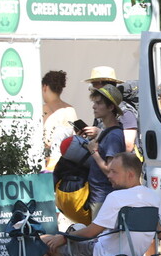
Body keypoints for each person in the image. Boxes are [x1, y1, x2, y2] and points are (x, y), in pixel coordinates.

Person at [33, 152, 161, 256]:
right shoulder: (153, 197)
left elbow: (92, 232)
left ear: (130, 174)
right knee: (73, 234)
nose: (108, 175)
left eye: (114, 172)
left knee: (42, 243)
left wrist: (63, 238)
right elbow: (160, 231)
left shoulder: (116, 197)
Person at [83, 85, 127, 220]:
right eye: (94, 102)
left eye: (99, 103)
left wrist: (94, 152)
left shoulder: (113, 136)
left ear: (111, 107)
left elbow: (110, 171)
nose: (94, 106)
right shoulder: (109, 132)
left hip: (104, 197)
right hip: (101, 196)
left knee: (100, 239)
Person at [85, 66, 139, 153]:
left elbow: (128, 146)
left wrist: (99, 133)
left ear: (102, 84)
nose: (91, 88)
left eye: (94, 84)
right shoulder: (103, 110)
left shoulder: (125, 111)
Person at [42, 71, 79, 172]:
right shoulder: (71, 110)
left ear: (45, 87)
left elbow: (45, 141)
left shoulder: (42, 110)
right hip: (66, 165)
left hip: (48, 165)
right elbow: (77, 138)